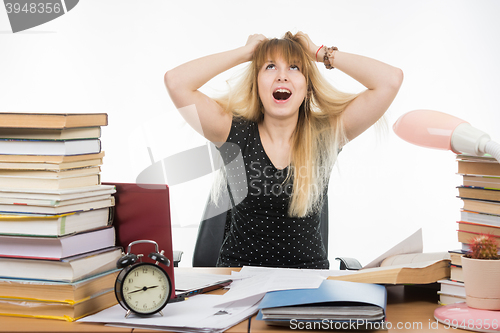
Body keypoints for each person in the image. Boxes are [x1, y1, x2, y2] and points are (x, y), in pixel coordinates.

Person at [164, 32, 403, 269]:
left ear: (307, 87)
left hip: (306, 284)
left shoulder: (325, 135)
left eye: (294, 68)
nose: (282, 76)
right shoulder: (231, 131)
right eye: (270, 67)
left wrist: (321, 54)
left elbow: (390, 80)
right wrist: (246, 53)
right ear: (256, 84)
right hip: (237, 281)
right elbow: (176, 82)